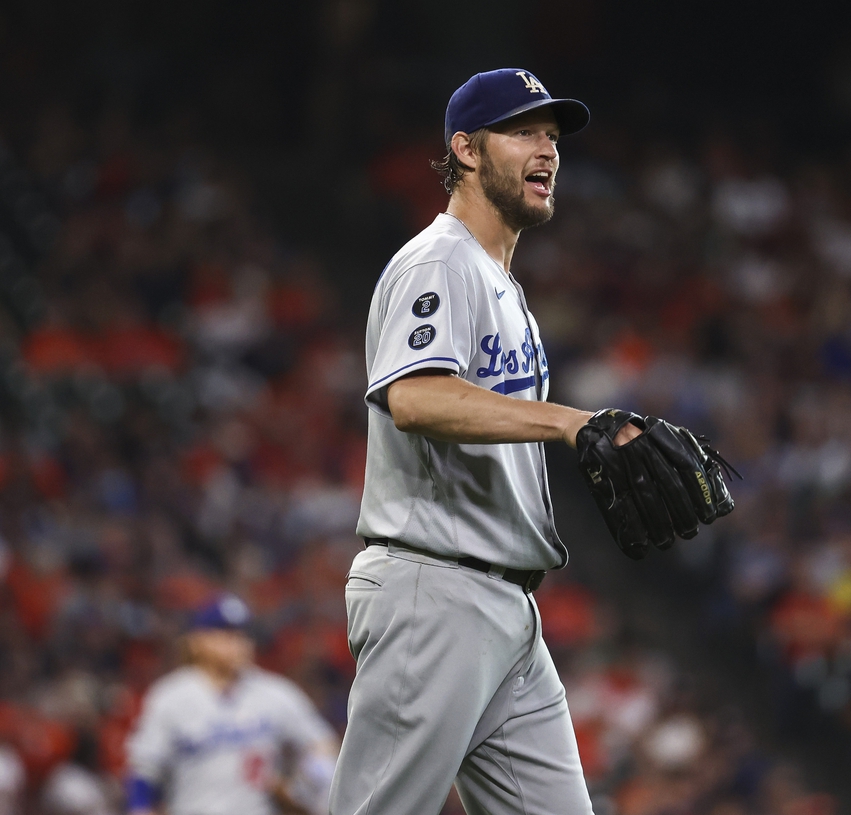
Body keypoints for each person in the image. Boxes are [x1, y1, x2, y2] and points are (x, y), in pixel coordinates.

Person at [329, 68, 635, 815]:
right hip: (433, 590)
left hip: (506, 610)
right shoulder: (440, 261)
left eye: (553, 136)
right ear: (464, 149)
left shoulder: (503, 285)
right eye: (524, 131)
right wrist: (570, 421)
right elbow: (415, 396)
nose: (548, 150)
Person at [125, 594, 338, 815]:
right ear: (197, 642)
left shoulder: (275, 693)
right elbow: (144, 770)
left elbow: (322, 745)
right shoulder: (170, 697)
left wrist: (305, 785)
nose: (238, 643)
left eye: (242, 634)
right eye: (226, 634)